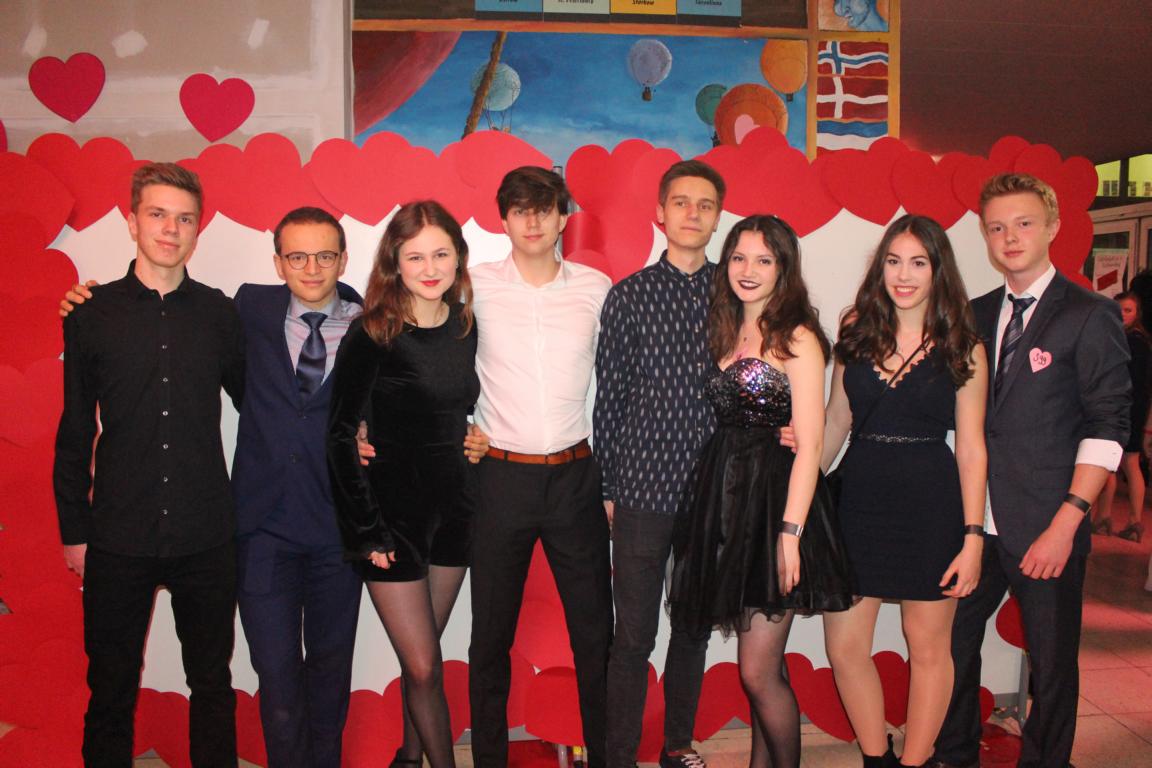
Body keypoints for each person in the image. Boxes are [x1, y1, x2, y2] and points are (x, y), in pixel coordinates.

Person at [59, 206, 489, 767]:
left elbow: (408, 403)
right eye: (297, 256)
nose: (312, 268)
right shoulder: (245, 309)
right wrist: (86, 300)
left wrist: (470, 435)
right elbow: (174, 321)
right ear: (278, 262)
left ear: (344, 260)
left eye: (325, 255)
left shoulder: (372, 323)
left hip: (338, 530)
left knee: (330, 675)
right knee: (277, 680)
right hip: (262, 529)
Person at [930, 173, 1130, 768]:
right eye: (997, 227)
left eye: (1023, 224)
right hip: (974, 523)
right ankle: (955, 751)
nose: (1010, 238)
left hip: (1047, 522)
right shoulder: (974, 313)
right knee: (950, 645)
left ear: (1052, 227)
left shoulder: (1090, 314)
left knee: (1051, 662)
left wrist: (1067, 523)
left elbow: (1108, 425)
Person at [53, 162, 245, 766]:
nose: (170, 229)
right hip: (117, 535)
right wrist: (74, 530)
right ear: (133, 222)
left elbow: (262, 409)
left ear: (198, 228)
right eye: (158, 215)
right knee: (110, 689)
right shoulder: (91, 313)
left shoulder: (220, 315)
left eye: (184, 218)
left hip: (206, 534)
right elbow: (75, 428)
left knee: (212, 685)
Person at [667, 215, 855, 768]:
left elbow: (811, 444)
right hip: (728, 502)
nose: (748, 270)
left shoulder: (797, 336)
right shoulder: (728, 327)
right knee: (764, 668)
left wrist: (790, 534)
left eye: (763, 260)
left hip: (777, 506)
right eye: (739, 258)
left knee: (756, 672)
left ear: (783, 268)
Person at [821, 215, 987, 768]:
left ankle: (914, 762)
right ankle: (877, 757)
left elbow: (971, 449)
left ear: (939, 269)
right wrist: (797, 501)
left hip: (931, 506)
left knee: (929, 648)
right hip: (858, 503)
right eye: (893, 261)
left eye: (918, 262)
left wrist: (973, 537)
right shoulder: (856, 329)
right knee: (845, 648)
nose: (903, 275)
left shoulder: (964, 345)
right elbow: (837, 420)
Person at [467, 167, 614, 768]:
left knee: (595, 634)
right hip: (500, 477)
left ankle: (606, 756)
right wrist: (458, 430)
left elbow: (618, 383)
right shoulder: (472, 287)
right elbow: (436, 367)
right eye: (520, 209)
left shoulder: (596, 288)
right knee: (489, 638)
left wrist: (615, 477)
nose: (532, 221)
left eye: (544, 209)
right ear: (503, 219)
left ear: (562, 218)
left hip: (576, 477)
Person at [328, 200, 480, 768]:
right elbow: (339, 436)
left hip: (455, 515)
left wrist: (481, 438)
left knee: (426, 662)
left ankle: (408, 760)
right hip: (391, 522)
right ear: (395, 261)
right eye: (415, 256)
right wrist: (366, 529)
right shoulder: (373, 332)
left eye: (441, 254)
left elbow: (474, 407)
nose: (430, 268)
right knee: (422, 666)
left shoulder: (467, 325)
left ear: (458, 257)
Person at [594, 159, 725, 768]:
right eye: (681, 202)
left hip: (713, 492)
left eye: (705, 204)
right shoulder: (629, 296)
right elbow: (610, 398)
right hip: (642, 491)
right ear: (660, 213)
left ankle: (677, 745)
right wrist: (608, 487)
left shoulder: (738, 293)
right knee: (633, 636)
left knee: (693, 628)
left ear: (717, 217)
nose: (692, 213)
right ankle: (618, 756)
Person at [1092, 291, 1148, 542]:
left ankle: (1121, 519)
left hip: (1125, 409)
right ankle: (1112, 519)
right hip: (1129, 409)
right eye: (1119, 309)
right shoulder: (1126, 338)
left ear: (1137, 314)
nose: (1123, 315)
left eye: (1128, 310)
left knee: (1120, 463)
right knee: (1119, 464)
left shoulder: (1132, 341)